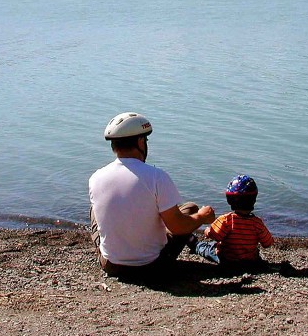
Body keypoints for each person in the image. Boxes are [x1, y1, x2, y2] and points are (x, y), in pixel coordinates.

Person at [88, 112, 216, 279]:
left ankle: (117, 249)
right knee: (190, 209)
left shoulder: (96, 178)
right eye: (145, 140)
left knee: (94, 210)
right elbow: (177, 227)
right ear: (140, 142)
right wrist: (201, 217)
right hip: (153, 266)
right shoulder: (157, 177)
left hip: (111, 265)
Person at [189, 174, 274, 266]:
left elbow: (215, 235)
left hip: (227, 259)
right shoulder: (257, 223)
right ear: (254, 200)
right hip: (250, 260)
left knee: (206, 248)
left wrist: (207, 231)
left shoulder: (226, 220)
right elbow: (268, 243)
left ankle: (194, 244)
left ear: (230, 200)